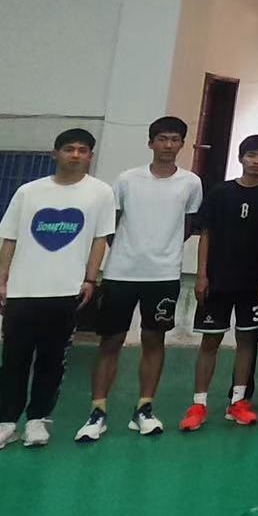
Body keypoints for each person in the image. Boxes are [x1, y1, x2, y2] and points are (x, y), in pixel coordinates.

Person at [0, 128, 116, 453]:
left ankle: (38, 419)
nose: (76, 155)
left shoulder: (101, 193)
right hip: (23, 291)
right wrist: (2, 281)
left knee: (52, 360)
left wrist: (90, 279)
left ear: (90, 156)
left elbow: (100, 239)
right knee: (13, 360)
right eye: (69, 149)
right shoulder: (28, 192)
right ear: (56, 154)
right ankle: (6, 422)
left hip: (66, 291)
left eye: (83, 150)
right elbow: (10, 238)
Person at [76, 116, 202, 442]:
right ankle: (97, 412)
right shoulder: (126, 180)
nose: (168, 145)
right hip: (120, 275)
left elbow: (188, 226)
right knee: (111, 342)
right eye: (162, 139)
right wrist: (127, 253)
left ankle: (144, 409)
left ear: (182, 144)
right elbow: (110, 225)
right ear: (151, 143)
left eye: (174, 139)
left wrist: (161, 252)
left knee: (154, 340)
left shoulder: (191, 183)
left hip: (164, 276)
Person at [182, 134, 258, 432]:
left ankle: (238, 401)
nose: (256, 161)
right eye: (251, 155)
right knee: (210, 341)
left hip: (253, 283)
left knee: (247, 340)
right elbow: (206, 234)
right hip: (218, 280)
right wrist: (202, 275)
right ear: (241, 158)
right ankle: (198, 404)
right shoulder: (220, 192)